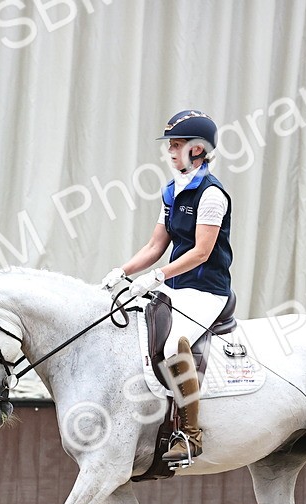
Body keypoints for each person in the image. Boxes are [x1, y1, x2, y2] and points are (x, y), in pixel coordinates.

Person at [100, 109, 233, 466]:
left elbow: (202, 252)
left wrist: (157, 276)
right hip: (175, 285)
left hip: (207, 290)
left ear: (199, 150)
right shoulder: (172, 192)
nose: (171, 153)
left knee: (175, 344)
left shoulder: (212, 195)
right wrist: (122, 272)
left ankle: (190, 436)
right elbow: (155, 246)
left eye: (177, 146)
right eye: (170, 146)